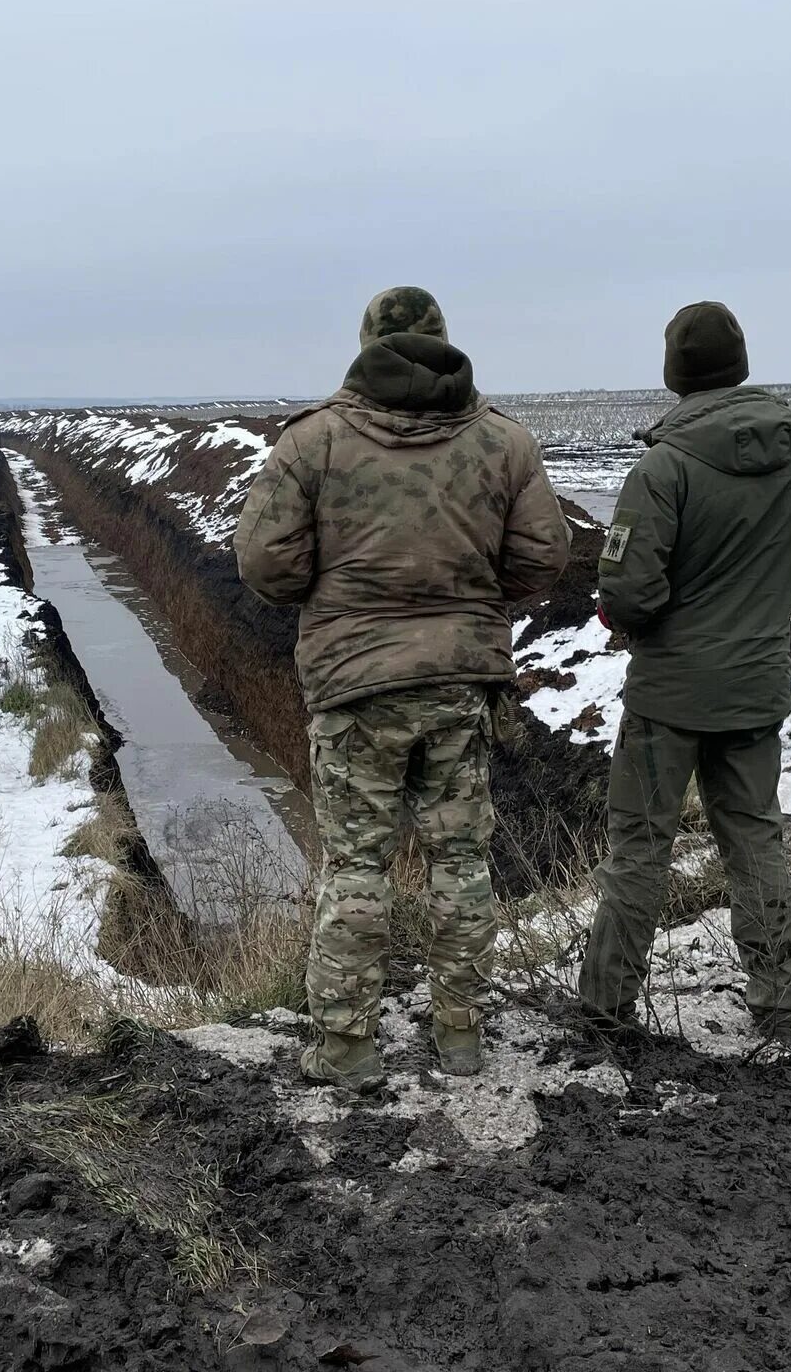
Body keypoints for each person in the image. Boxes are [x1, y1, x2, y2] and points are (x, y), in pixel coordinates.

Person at [236, 286, 571, 1088]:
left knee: (357, 865)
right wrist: (468, 592)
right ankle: (460, 1034)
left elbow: (264, 565)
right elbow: (542, 557)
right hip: (462, 684)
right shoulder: (503, 441)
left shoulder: (313, 442)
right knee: (462, 859)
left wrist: (341, 593)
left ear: (365, 344)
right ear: (445, 342)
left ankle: (347, 1045)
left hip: (356, 688)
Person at [580, 300, 791, 1038]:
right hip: (755, 688)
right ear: (742, 363)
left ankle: (605, 1008)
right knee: (755, 842)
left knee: (640, 851)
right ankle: (782, 1000)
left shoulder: (663, 466)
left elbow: (627, 592)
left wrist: (626, 619)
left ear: (674, 375)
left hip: (668, 696)